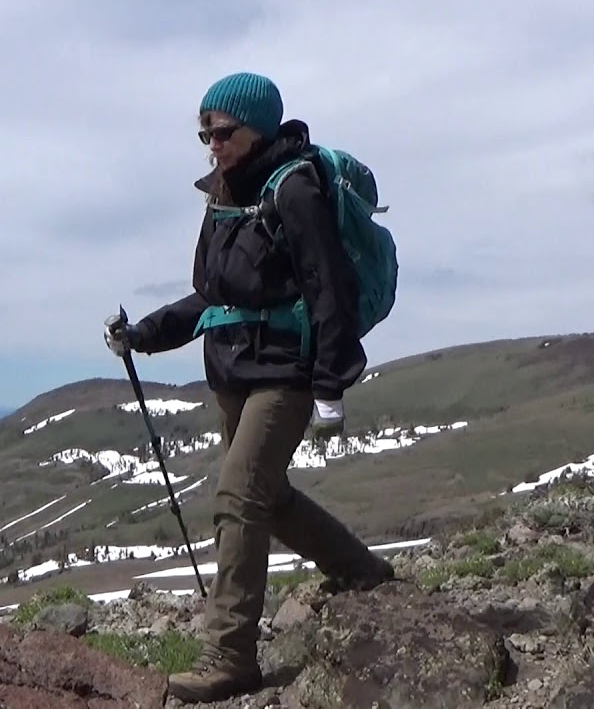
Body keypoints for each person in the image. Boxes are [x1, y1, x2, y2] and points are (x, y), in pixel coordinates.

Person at [103, 71, 395, 703]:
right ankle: (364, 574)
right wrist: (145, 334)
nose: (211, 143)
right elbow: (213, 296)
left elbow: (327, 287)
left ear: (257, 125)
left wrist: (330, 386)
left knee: (238, 495)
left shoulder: (294, 189)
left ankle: (229, 656)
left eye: (222, 131)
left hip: (285, 374)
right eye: (204, 133)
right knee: (270, 497)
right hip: (233, 371)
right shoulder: (225, 196)